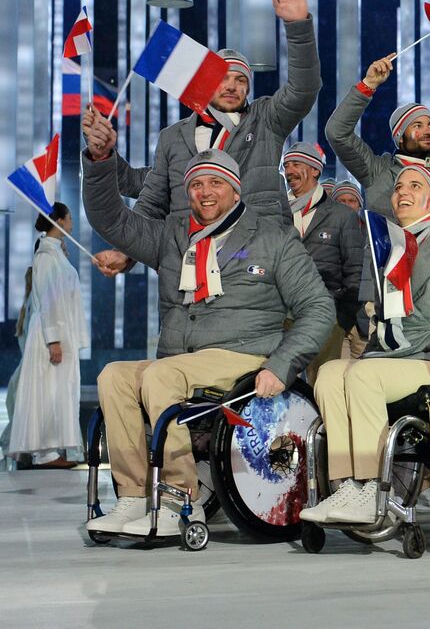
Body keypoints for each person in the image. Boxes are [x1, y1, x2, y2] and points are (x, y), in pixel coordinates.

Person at [80, 130, 335, 538]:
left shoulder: (273, 238)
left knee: (162, 375)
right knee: (114, 375)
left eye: (216, 182)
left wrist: (283, 364)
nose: (205, 192)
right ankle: (132, 495)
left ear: (235, 191)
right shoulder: (171, 235)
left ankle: (179, 499)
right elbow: (111, 219)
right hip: (184, 358)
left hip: (245, 354)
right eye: (196, 184)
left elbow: (318, 308)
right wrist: (99, 159)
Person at [301, 164, 430, 525]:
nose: (402, 192)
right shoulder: (389, 248)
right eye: (399, 186)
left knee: (364, 376)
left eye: (415, 186)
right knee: (329, 372)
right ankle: (347, 485)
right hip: (396, 352)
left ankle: (371, 485)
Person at [86, 0, 322, 278]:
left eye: (240, 80)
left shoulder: (266, 119)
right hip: (190, 262)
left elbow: (304, 89)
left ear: (248, 88)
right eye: (222, 78)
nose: (232, 86)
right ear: (206, 83)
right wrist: (127, 253)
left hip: (253, 257)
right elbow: (153, 202)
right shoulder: (172, 137)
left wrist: (298, 27)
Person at [325, 57, 430, 230]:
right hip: (387, 257)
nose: (428, 131)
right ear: (400, 137)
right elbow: (336, 132)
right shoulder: (377, 170)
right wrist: (368, 85)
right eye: (417, 126)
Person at [3, 204, 87, 468]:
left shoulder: (54, 254)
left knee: (59, 391)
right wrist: (53, 340)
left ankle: (52, 451)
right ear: (59, 220)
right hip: (53, 335)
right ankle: (46, 453)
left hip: (60, 332)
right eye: (70, 217)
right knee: (49, 391)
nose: (72, 221)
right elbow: (49, 301)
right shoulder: (46, 257)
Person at [281, 143, 368, 374]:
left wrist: (341, 320)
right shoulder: (277, 214)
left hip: (326, 318)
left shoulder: (342, 215)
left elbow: (356, 271)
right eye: (286, 165)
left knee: (320, 385)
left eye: (296, 164)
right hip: (280, 316)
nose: (289, 171)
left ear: (315, 170)